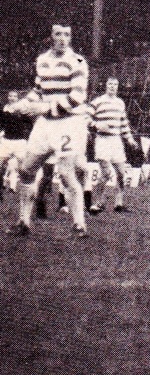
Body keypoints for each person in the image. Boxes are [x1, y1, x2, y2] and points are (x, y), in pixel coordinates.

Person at [5, 23, 92, 237]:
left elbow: (77, 97)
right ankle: (24, 222)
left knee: (66, 174)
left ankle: (79, 225)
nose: (62, 38)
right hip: (45, 124)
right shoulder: (42, 60)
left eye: (67, 34)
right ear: (52, 36)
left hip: (69, 122)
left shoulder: (78, 62)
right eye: (58, 34)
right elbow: (38, 91)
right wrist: (23, 104)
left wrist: (44, 107)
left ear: (71, 38)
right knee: (26, 170)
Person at [86, 77, 138, 214]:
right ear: (106, 85)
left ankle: (118, 204)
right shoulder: (97, 101)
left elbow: (123, 123)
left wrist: (130, 139)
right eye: (110, 84)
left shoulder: (120, 103)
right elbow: (86, 118)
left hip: (116, 141)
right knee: (106, 173)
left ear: (118, 87)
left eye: (115, 84)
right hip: (102, 140)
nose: (112, 87)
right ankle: (98, 203)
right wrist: (97, 125)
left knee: (121, 173)